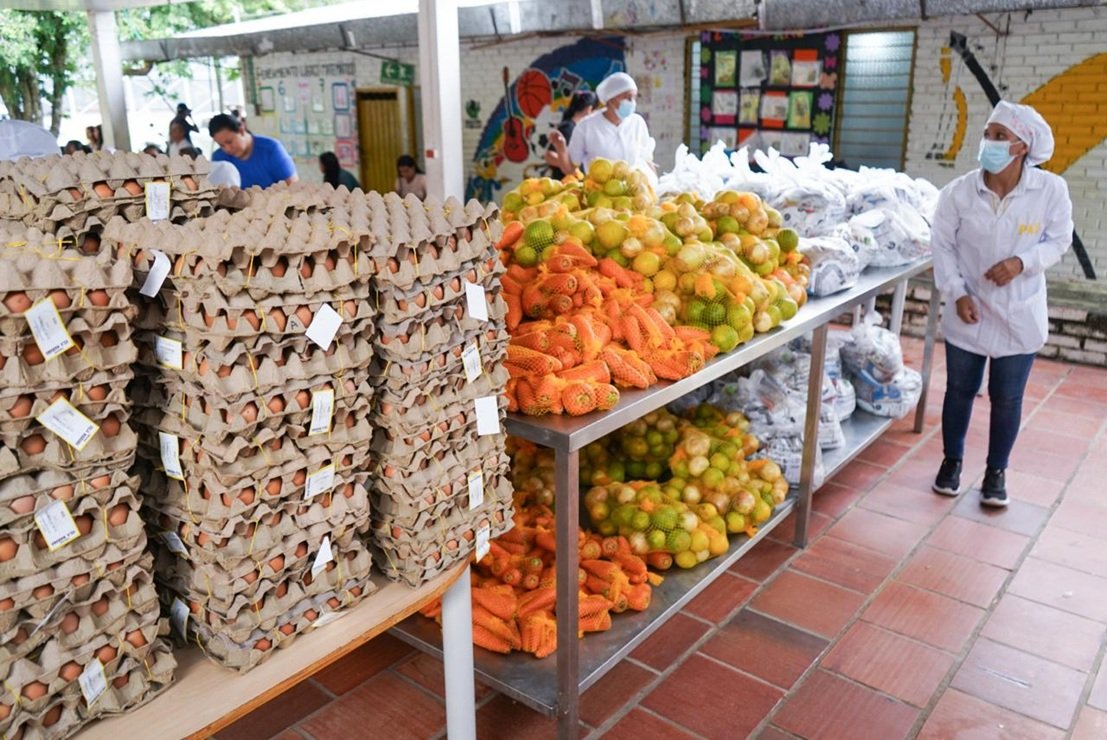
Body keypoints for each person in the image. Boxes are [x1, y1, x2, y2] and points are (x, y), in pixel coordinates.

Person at [930, 101, 1072, 507]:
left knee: (1006, 396)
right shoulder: (958, 192)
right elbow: (941, 245)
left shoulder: (1050, 191)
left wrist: (1021, 263)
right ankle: (951, 462)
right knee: (959, 389)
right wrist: (956, 292)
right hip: (967, 307)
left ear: (1021, 147)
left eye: (999, 136)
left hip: (1019, 310)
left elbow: (1059, 240)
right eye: (987, 134)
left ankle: (996, 472)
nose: (987, 143)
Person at [554, 72, 656, 184]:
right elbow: (571, 167)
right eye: (628, 98)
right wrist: (561, 148)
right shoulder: (586, 126)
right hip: (599, 195)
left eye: (634, 97)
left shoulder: (637, 122)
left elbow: (647, 160)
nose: (632, 103)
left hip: (633, 191)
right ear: (611, 99)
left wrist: (655, 186)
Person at [209, 112, 297, 189]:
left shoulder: (271, 150)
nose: (227, 149)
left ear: (241, 130)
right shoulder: (219, 159)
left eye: (229, 142)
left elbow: (293, 187)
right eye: (221, 145)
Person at [544, 89, 597, 179]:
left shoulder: (580, 129)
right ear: (589, 109)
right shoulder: (568, 128)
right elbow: (549, 155)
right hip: (564, 183)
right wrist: (570, 166)